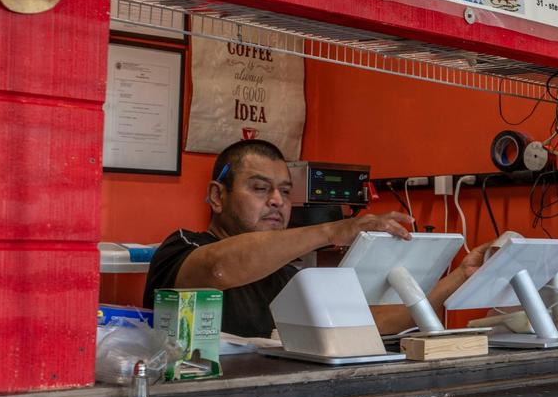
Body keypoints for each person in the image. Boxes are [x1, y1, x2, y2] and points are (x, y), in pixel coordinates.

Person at [143, 139, 488, 337]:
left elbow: (371, 321)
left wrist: (460, 277)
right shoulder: (183, 247)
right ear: (217, 196)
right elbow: (218, 269)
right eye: (260, 188)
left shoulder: (289, 276)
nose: (277, 200)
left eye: (285, 191)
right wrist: (332, 230)